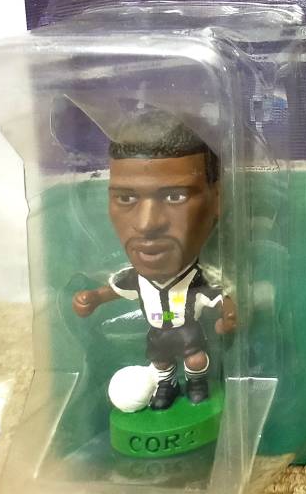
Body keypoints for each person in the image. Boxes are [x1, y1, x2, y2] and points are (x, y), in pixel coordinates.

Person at [71, 111, 236, 409]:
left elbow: (218, 296)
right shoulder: (136, 280)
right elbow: (116, 290)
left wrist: (231, 313)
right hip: (159, 335)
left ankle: (197, 383)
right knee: (161, 362)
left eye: (175, 197)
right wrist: (94, 297)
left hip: (187, 332)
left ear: (217, 199)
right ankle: (166, 387)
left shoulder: (197, 279)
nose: (147, 224)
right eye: (126, 198)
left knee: (195, 359)